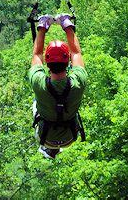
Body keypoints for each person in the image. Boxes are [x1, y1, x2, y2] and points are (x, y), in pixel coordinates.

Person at [29, 13, 87, 159]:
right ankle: (53, 149)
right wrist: (67, 25)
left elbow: (37, 55)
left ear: (47, 64)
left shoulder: (39, 82)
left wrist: (42, 27)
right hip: (70, 136)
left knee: (36, 101)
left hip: (46, 137)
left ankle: (49, 149)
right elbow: (76, 53)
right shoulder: (78, 81)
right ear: (67, 62)